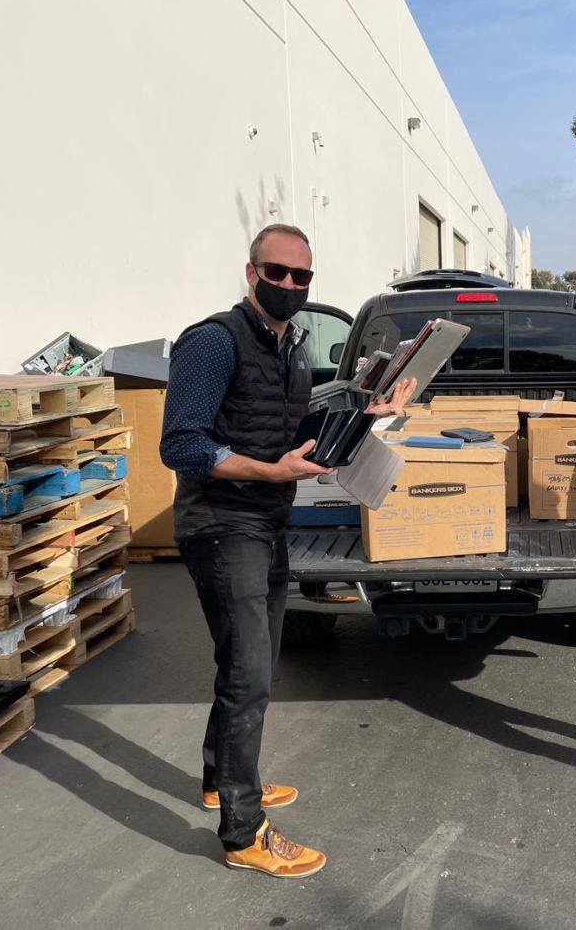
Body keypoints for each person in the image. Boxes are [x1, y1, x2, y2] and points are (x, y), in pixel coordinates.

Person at [161, 223, 413, 877]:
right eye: (278, 273)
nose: (291, 286)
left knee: (248, 657)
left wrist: (373, 409)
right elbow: (181, 445)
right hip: (221, 521)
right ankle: (243, 831)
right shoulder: (214, 342)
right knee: (249, 672)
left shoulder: (290, 346)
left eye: (302, 277)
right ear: (251, 274)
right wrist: (271, 472)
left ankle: (221, 779)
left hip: (264, 521)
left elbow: (291, 426)